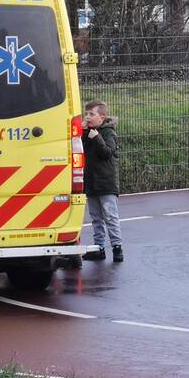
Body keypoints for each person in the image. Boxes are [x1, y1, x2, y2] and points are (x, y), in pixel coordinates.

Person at [81, 99, 123, 262]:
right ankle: (99, 248)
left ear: (102, 116)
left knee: (110, 216)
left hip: (106, 183)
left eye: (92, 114)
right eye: (87, 114)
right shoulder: (88, 131)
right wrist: (84, 132)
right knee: (95, 217)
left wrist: (96, 137)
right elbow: (81, 149)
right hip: (91, 182)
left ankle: (117, 248)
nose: (88, 117)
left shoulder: (108, 133)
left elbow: (107, 153)